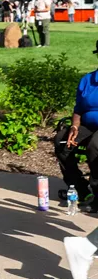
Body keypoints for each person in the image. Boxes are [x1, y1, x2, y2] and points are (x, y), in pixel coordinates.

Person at [54, 40, 98, 213]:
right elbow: (78, 109)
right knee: (62, 142)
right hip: (88, 124)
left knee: (95, 146)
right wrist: (75, 127)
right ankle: (80, 189)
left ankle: (97, 194)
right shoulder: (88, 80)